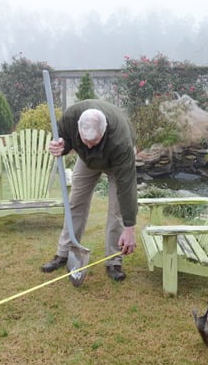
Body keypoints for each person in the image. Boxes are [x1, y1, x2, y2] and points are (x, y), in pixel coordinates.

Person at [41, 99, 137, 282]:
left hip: (115, 161)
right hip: (86, 161)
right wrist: (60, 147)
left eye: (95, 141)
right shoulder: (70, 117)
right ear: (78, 126)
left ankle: (113, 260)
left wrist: (130, 227)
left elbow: (127, 187)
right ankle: (64, 253)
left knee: (117, 210)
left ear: (105, 129)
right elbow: (64, 140)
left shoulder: (121, 142)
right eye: (86, 141)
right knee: (75, 202)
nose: (90, 145)